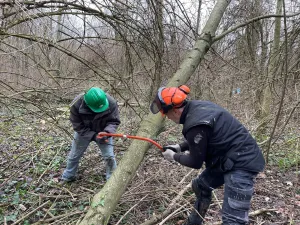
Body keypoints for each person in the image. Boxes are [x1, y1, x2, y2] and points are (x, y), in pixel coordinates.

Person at [150, 85, 265, 225]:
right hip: (227, 159)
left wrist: (173, 156)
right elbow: (202, 136)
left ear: (174, 110)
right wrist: (179, 147)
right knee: (201, 185)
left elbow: (195, 161)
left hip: (242, 162)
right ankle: (194, 222)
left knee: (233, 221)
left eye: (166, 114)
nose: (167, 118)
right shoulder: (198, 107)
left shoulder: (194, 124)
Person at [61, 87, 121, 183]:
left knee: (109, 156)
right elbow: (78, 126)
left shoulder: (111, 102)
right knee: (74, 155)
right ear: (87, 103)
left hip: (103, 131)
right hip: (83, 132)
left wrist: (107, 133)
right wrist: (93, 136)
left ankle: (112, 180)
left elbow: (114, 121)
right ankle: (68, 176)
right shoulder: (76, 104)